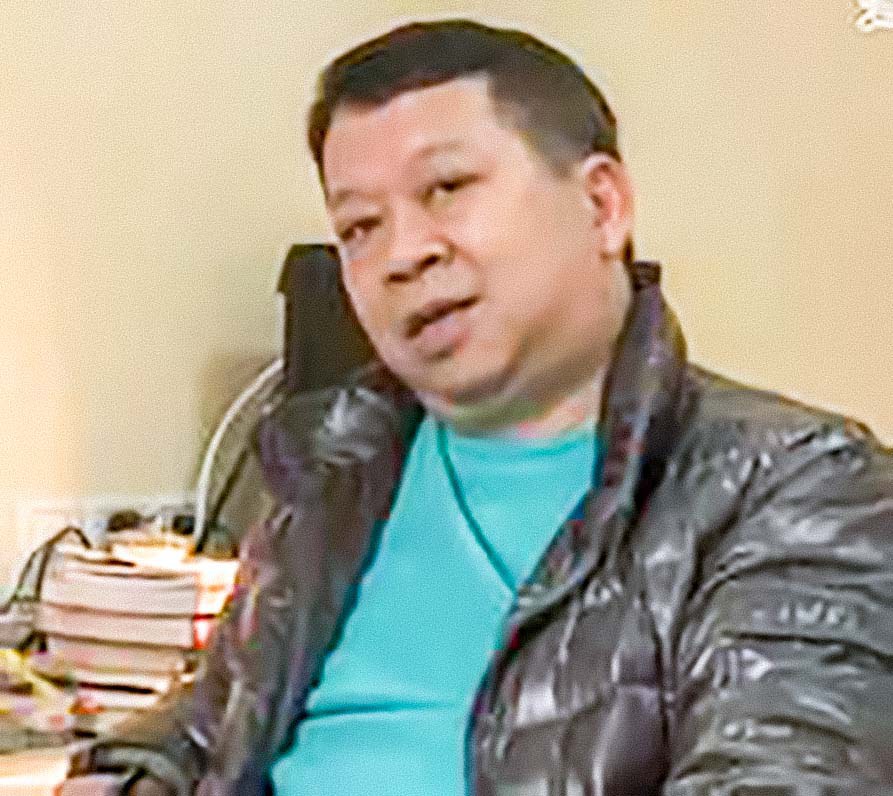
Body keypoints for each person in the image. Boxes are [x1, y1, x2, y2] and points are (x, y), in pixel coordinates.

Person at [67, 18, 893, 796]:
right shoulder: (335, 474)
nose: (401, 254)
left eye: (447, 188)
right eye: (359, 227)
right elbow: (210, 725)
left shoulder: (797, 486)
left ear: (602, 205)